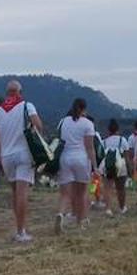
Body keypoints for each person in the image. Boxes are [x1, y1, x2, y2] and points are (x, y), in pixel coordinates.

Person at [0, 80, 45, 243]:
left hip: (7, 157)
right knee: (22, 193)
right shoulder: (26, 106)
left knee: (15, 193)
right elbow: (38, 126)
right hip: (23, 153)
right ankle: (21, 231)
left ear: (7, 93)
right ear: (19, 92)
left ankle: (19, 227)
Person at [53, 98, 96, 234]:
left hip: (65, 158)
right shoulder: (88, 124)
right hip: (81, 158)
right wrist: (95, 166)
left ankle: (61, 214)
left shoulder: (63, 122)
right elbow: (90, 147)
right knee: (82, 193)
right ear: (84, 109)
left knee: (65, 194)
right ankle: (80, 222)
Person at [101, 120, 132, 215]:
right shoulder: (122, 140)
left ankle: (108, 209)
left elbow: (101, 156)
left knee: (107, 188)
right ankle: (122, 207)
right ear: (118, 130)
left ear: (108, 130)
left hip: (107, 166)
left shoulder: (104, 141)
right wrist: (130, 169)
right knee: (121, 188)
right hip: (120, 166)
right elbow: (127, 157)